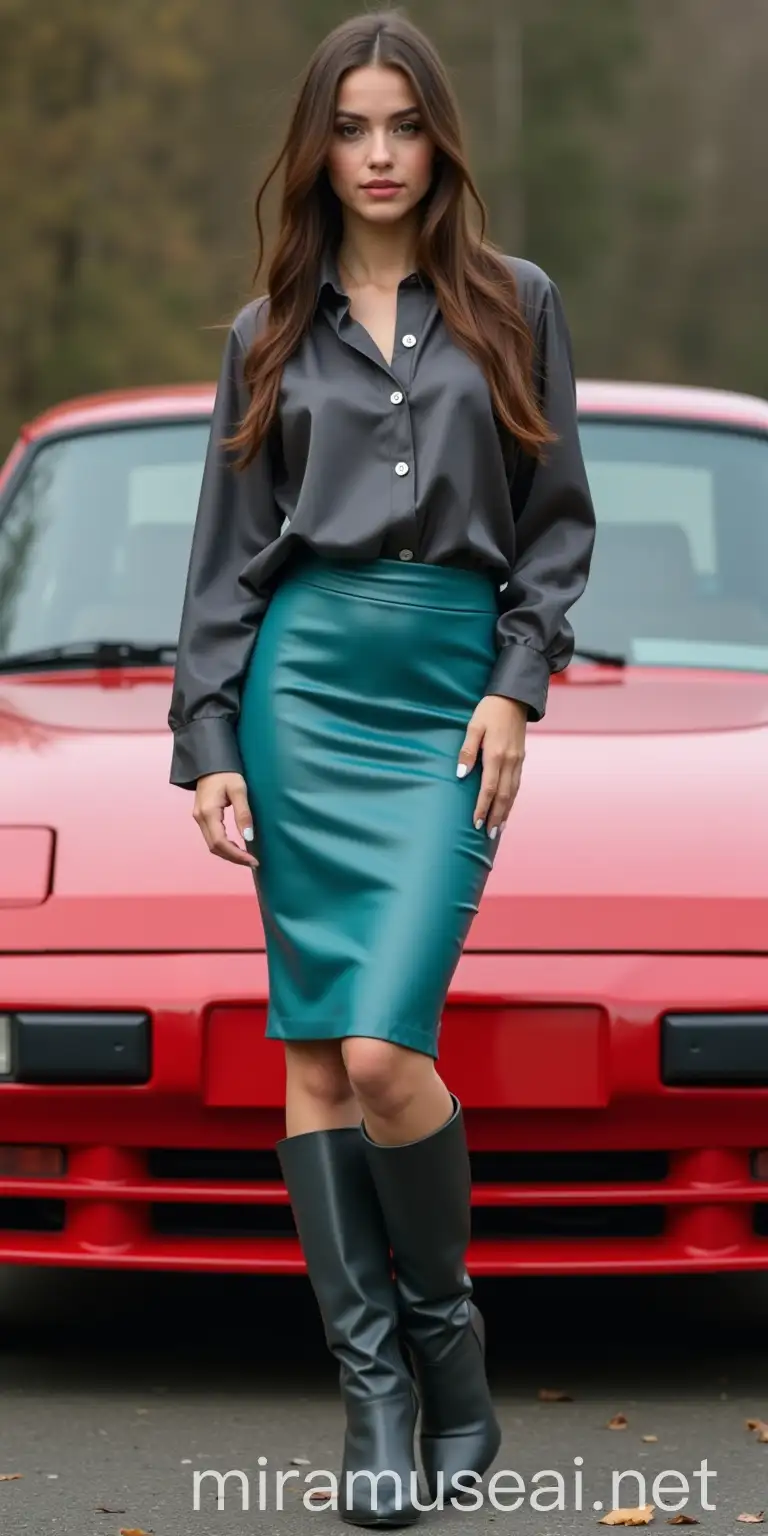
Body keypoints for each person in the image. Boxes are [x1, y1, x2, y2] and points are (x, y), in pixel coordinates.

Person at [168, 8, 595, 1526]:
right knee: (311, 1048)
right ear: (318, 147)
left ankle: (446, 1349)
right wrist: (209, 740)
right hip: (304, 689)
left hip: (443, 695)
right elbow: (225, 564)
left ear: (439, 141)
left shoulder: (515, 303)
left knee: (384, 1052)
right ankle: (375, 1404)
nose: (376, 155)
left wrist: (517, 689)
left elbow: (555, 525)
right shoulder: (265, 333)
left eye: (400, 126)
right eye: (349, 128)